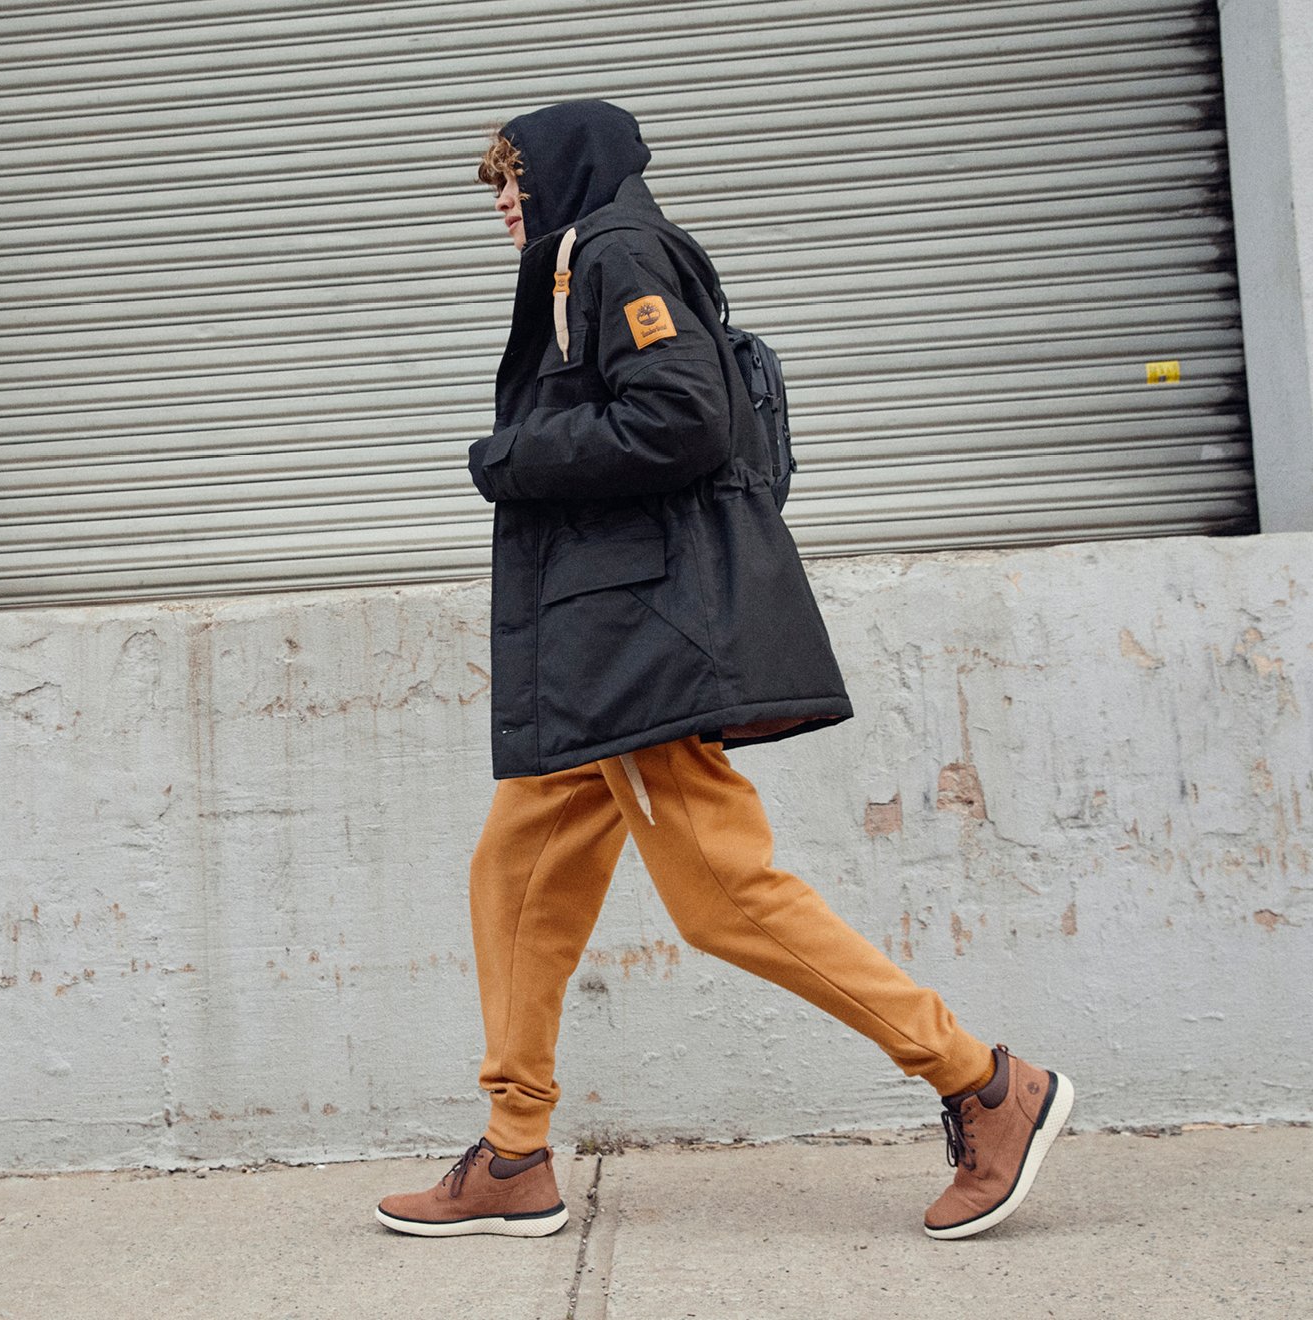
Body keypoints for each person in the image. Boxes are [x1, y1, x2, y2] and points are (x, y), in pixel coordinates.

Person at [376, 100, 1073, 1243]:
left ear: (565, 173)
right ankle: (512, 1153)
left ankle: (986, 1083)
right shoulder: (580, 262)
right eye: (495, 186)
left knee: (723, 898)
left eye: (513, 179)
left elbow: (682, 417)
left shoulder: (616, 251)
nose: (502, 202)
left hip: (635, 648)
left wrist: (512, 454)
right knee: (515, 877)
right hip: (600, 652)